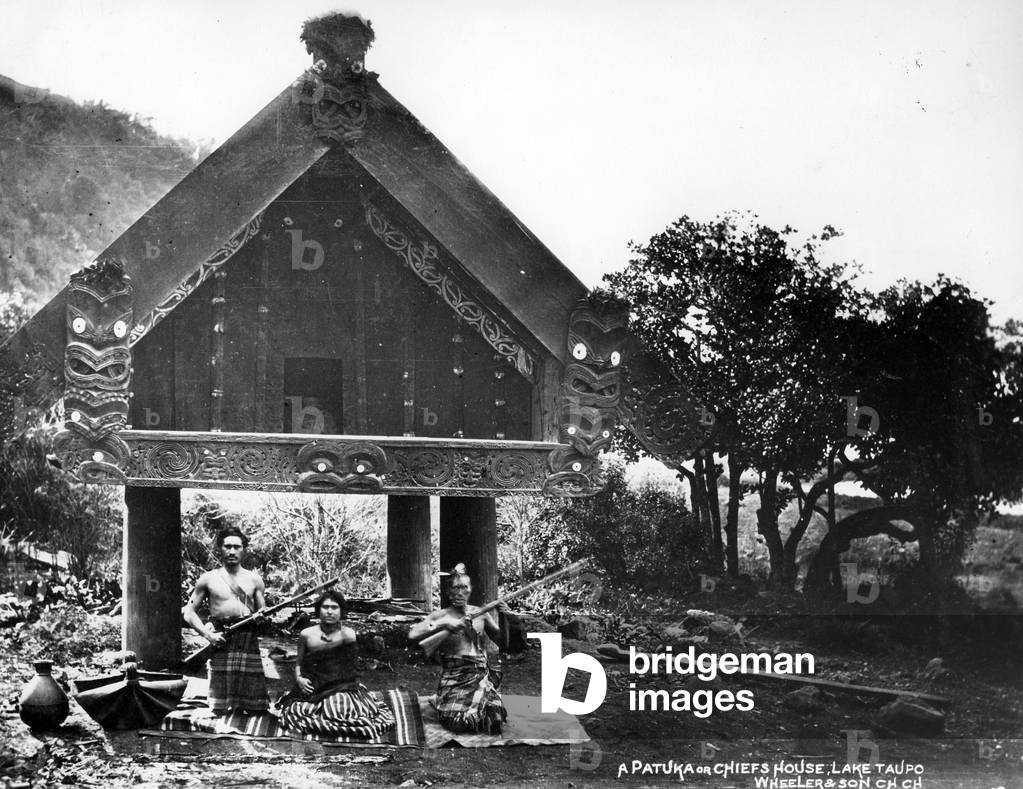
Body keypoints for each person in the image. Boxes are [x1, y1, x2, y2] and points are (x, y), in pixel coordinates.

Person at [278, 590, 395, 737]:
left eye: (334, 607)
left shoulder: (348, 634)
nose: (329, 612)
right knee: (298, 711)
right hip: (313, 684)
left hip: (340, 685)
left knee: (338, 709)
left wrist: (335, 687)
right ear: (318, 610)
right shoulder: (306, 634)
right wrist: (300, 679)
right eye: (325, 607)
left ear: (341, 611)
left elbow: (349, 669)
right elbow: (298, 663)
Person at [407, 565, 509, 734]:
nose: (460, 592)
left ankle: (478, 704)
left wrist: (505, 616)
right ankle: (441, 699)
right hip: (455, 679)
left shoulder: (480, 614)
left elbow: (503, 642)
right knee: (459, 722)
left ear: (470, 590)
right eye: (455, 587)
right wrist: (444, 624)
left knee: (494, 717)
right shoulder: (439, 616)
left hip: (480, 678)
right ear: (448, 591)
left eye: (464, 587)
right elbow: (413, 634)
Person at [182, 525, 269, 714]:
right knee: (218, 708)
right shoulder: (208, 578)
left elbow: (264, 616)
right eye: (227, 546)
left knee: (256, 708)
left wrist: (262, 618)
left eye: (237, 547)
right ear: (219, 549)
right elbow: (188, 612)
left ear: (244, 550)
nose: (231, 551)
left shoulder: (255, 580)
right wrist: (208, 636)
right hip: (221, 639)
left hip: (247, 639)